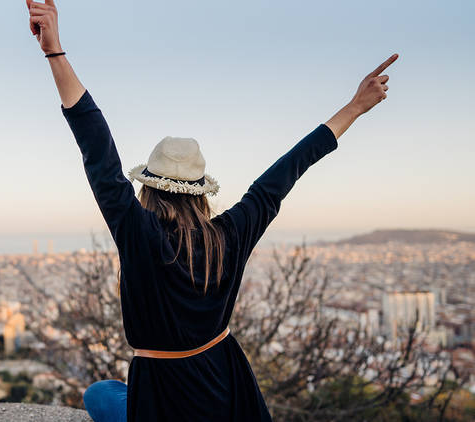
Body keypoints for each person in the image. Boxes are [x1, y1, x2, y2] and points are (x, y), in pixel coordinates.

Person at [26, 1, 397, 420]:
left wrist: (54, 52)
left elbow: (97, 146)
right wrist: (355, 107)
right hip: (227, 388)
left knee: (100, 395)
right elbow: (286, 171)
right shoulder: (231, 234)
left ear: (149, 188)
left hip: (163, 396)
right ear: (201, 193)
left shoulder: (139, 233)